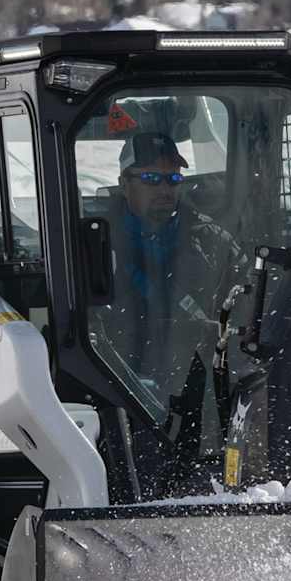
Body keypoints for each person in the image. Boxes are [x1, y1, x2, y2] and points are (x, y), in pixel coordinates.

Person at [101, 131, 246, 411]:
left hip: (197, 388)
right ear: (123, 184)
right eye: (151, 179)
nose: (165, 189)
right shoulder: (94, 243)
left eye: (173, 179)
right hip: (117, 386)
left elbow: (245, 299)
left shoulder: (213, 241)